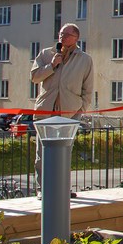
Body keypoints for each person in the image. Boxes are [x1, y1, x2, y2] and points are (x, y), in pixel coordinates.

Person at [31, 23, 94, 192]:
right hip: (46, 111)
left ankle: (62, 189)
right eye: (60, 34)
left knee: (64, 153)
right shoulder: (46, 54)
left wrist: (81, 109)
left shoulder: (85, 59)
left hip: (69, 113)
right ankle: (43, 189)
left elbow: (88, 88)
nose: (62, 37)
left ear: (76, 38)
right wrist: (51, 66)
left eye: (67, 35)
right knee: (42, 153)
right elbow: (34, 77)